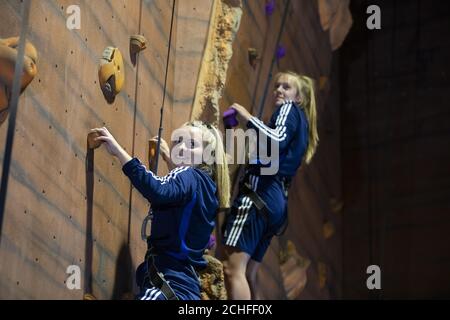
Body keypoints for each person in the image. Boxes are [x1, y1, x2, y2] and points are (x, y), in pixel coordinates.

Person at [91, 120, 230, 300]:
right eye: (177, 141)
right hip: (186, 291)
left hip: (167, 285)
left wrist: (117, 150)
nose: (182, 148)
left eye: (192, 145)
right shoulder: (209, 190)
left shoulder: (189, 175)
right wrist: (169, 159)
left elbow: (159, 190)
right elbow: (181, 196)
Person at [221, 71, 319, 299]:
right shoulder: (302, 126)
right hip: (276, 205)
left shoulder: (289, 110)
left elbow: (275, 140)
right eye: (277, 86)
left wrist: (247, 117)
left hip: (260, 195)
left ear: (298, 98)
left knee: (233, 269)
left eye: (286, 87)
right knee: (249, 275)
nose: (279, 91)